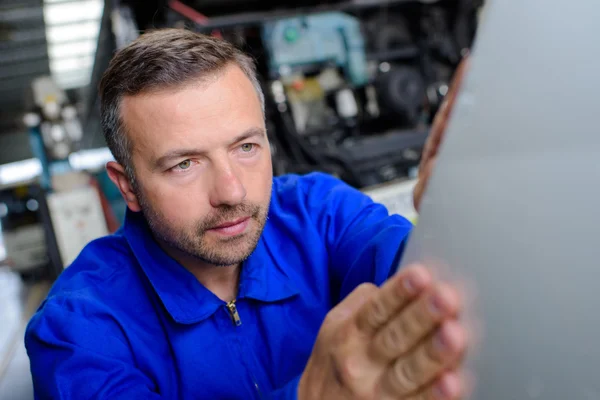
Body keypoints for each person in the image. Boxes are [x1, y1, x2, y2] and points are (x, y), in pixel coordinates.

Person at [25, 28, 469, 399]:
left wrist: (462, 215)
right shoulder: (78, 330)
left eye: (246, 147)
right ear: (128, 187)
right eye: (185, 164)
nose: (232, 190)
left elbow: (443, 278)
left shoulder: (318, 214)